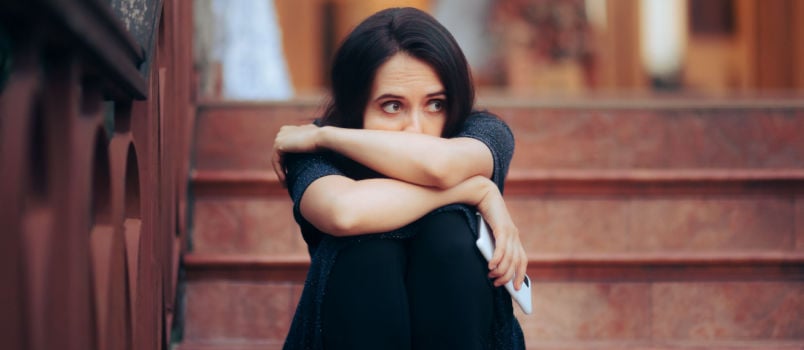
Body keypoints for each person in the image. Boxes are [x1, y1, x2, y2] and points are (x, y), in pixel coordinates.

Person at [272, 7, 527, 350]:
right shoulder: (313, 155)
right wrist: (473, 189)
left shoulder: (483, 131)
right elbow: (344, 212)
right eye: (393, 106)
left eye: (435, 104)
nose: (416, 130)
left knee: (448, 234)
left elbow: (441, 167)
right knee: (368, 249)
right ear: (356, 107)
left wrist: (326, 136)